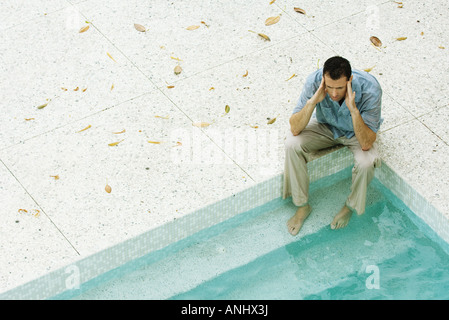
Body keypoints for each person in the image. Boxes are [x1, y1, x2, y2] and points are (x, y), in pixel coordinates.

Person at [283, 56, 382, 235]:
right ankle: (302, 206)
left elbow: (367, 143)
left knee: (367, 162)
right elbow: (295, 128)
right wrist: (313, 101)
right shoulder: (314, 81)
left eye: (339, 88)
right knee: (291, 144)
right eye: (329, 87)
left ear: (349, 80)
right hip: (326, 128)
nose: (334, 94)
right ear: (323, 80)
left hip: (356, 133)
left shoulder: (371, 89)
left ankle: (349, 207)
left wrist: (353, 109)